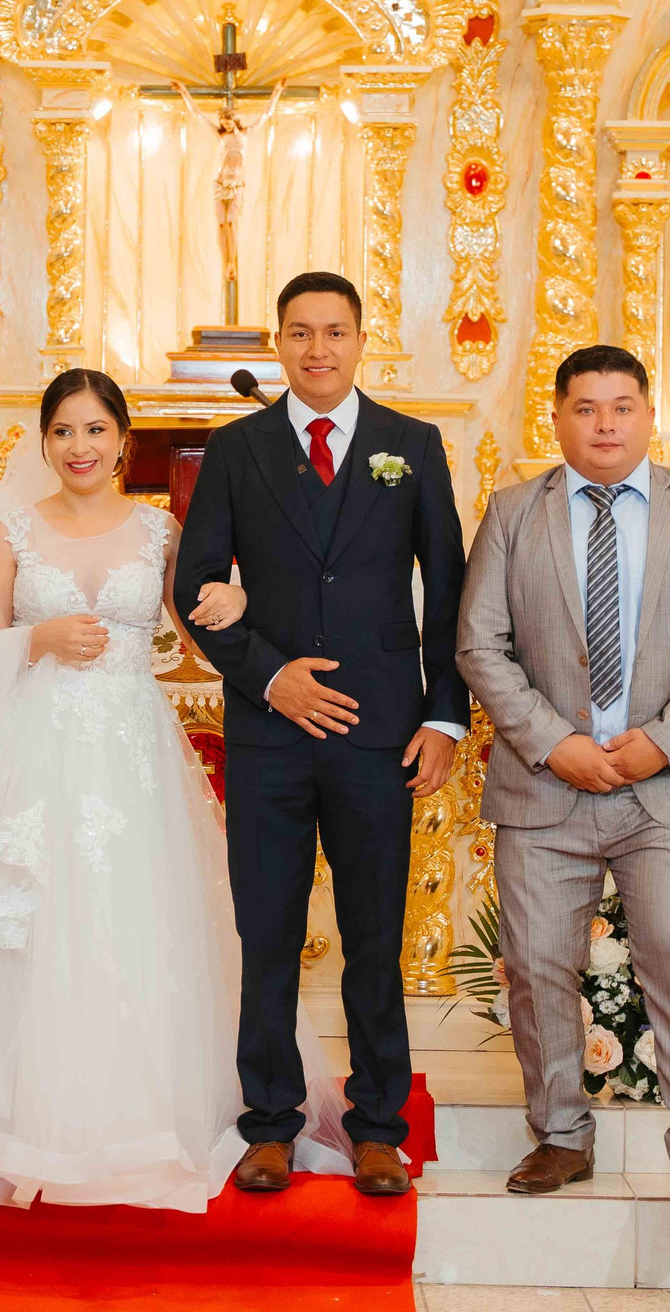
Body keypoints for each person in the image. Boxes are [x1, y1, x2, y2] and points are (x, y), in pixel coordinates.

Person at [0, 369, 330, 1211]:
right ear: (43, 442)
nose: (79, 447)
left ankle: (144, 1110)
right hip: (33, 751)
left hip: (130, 752)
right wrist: (35, 637)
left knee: (135, 915)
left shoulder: (161, 528)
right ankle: (17, 1116)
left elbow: (201, 620)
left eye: (95, 430)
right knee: (32, 920)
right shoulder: (11, 529)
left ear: (123, 438)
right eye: (63, 432)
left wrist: (238, 590)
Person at [454, 344, 670, 1270]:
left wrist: (660, 740)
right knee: (541, 963)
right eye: (584, 407)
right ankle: (561, 1135)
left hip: (663, 788)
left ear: (648, 413)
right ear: (554, 418)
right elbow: (482, 645)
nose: (603, 423)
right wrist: (557, 741)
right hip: (546, 782)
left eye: (621, 406)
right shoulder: (514, 513)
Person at [173, 271, 470, 1199]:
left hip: (380, 733)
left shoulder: (410, 446)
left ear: (359, 338)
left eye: (334, 331)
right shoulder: (237, 449)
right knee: (267, 932)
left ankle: (379, 1126)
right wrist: (270, 675)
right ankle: (270, 1126)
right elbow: (196, 588)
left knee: (373, 934)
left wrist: (443, 713)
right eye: (299, 332)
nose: (318, 349)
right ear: (279, 340)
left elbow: (450, 592)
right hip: (271, 733)